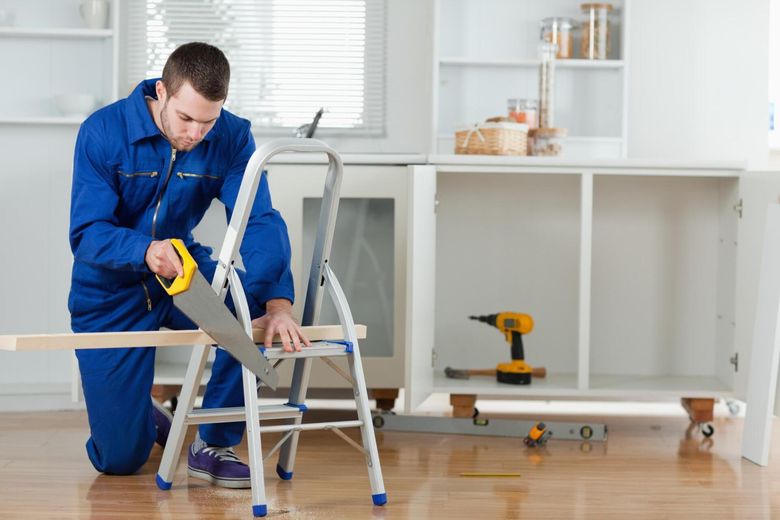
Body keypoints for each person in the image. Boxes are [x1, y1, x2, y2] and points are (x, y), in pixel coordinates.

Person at [68, 42, 310, 488]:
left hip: (182, 268)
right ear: (162, 92)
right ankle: (140, 415)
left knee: (244, 310)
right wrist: (144, 251)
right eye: (185, 118)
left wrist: (276, 302)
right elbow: (87, 233)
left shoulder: (234, 136)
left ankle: (212, 443)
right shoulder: (103, 131)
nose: (197, 133)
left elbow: (258, 219)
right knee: (120, 459)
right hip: (109, 288)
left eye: (208, 120)